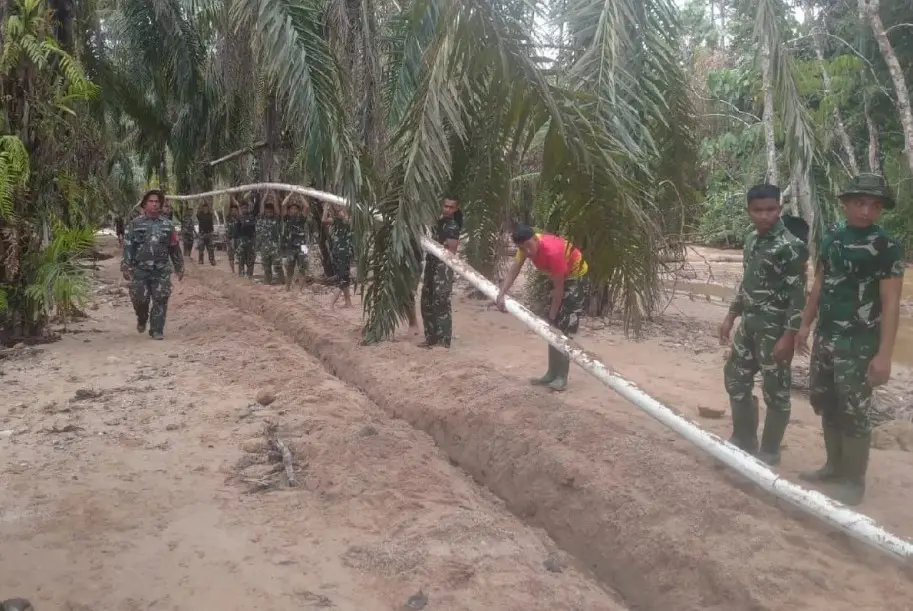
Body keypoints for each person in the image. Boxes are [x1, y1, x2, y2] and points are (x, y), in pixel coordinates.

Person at [795, 174, 904, 505]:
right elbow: (819, 285)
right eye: (860, 203)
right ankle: (833, 466)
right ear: (845, 204)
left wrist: (884, 356)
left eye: (875, 205)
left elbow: (890, 304)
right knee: (826, 402)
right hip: (826, 338)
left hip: (859, 344)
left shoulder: (886, 247)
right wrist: (804, 325)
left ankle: (853, 481)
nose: (867, 211)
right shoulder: (831, 239)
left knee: (855, 410)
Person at [718, 184, 809, 464]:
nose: (765, 216)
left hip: (775, 330)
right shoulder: (750, 241)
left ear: (779, 210)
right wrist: (731, 316)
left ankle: (769, 451)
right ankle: (743, 439)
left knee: (776, 392)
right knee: (735, 378)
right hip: (750, 325)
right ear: (749, 212)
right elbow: (748, 283)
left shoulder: (792, 247)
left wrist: (789, 336)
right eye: (758, 211)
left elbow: (798, 295)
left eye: (771, 210)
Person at [495, 224, 588, 391]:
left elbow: (560, 289)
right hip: (558, 277)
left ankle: (561, 377)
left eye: (529, 246)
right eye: (523, 248)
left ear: (536, 239)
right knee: (551, 329)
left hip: (574, 277)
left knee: (563, 329)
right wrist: (501, 294)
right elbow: (514, 269)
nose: (527, 251)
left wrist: (553, 315)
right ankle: (551, 372)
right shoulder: (524, 248)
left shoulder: (553, 252)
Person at [121, 189, 184, 340]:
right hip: (140, 269)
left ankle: (157, 329)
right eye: (151, 201)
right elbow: (129, 245)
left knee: (161, 298)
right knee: (139, 299)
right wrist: (126, 265)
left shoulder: (168, 225)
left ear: (161, 205)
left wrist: (179, 266)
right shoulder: (135, 224)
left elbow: (174, 247)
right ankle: (142, 318)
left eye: (157, 202)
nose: (154, 204)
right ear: (144, 204)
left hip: (161, 269)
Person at [419, 197, 461, 348]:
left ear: (456, 209)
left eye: (451, 207)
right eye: (445, 206)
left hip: (442, 269)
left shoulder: (452, 227)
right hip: (431, 265)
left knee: (441, 303)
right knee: (427, 301)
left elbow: (451, 251)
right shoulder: (438, 223)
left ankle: (443, 341)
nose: (448, 209)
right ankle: (431, 338)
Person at [323, 203, 353, 308]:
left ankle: (342, 303)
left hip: (344, 252)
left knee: (344, 277)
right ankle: (335, 304)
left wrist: (341, 207)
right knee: (343, 278)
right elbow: (323, 220)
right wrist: (326, 208)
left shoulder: (348, 220)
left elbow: (345, 216)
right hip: (338, 253)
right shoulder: (335, 220)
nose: (338, 208)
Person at [280, 199, 310, 289]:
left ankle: (300, 289)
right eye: (292, 209)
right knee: (290, 269)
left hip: (303, 246)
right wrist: (290, 194)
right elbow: (283, 204)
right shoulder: (287, 218)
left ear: (298, 210)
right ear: (289, 211)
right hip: (290, 247)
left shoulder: (301, 218)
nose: (293, 210)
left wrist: (300, 194)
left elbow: (307, 206)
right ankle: (287, 288)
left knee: (303, 268)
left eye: (295, 209)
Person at [256, 197, 284, 285]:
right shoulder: (261, 219)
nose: (269, 213)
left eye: (271, 211)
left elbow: (277, 210)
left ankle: (281, 282)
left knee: (278, 266)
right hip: (264, 247)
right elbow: (261, 208)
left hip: (274, 247)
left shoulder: (276, 219)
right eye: (267, 211)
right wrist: (265, 196)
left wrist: (273, 195)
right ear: (265, 212)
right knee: (266, 267)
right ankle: (267, 282)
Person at [235, 196, 258, 277]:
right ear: (241, 209)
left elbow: (253, 228)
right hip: (242, 241)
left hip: (251, 240)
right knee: (241, 259)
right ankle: (241, 276)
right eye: (243, 208)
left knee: (251, 260)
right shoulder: (238, 218)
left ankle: (249, 276)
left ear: (248, 208)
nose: (244, 209)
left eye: (246, 207)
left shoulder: (252, 217)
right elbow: (237, 232)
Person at [196, 201, 216, 265]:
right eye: (204, 207)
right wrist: (200, 202)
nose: (206, 208)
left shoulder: (210, 214)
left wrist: (207, 201)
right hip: (202, 234)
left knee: (211, 248)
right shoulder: (200, 214)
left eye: (206, 207)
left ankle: (212, 260)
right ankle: (201, 260)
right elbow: (197, 211)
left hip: (209, 233)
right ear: (203, 208)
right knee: (201, 248)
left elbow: (212, 210)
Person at [226, 199, 241, 273]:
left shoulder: (239, 219)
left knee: (240, 257)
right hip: (230, 240)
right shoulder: (228, 219)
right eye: (232, 210)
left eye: (235, 210)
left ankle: (240, 271)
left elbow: (240, 211)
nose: (234, 212)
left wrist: (236, 202)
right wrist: (231, 197)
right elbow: (228, 208)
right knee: (231, 257)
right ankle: (233, 271)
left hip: (238, 240)